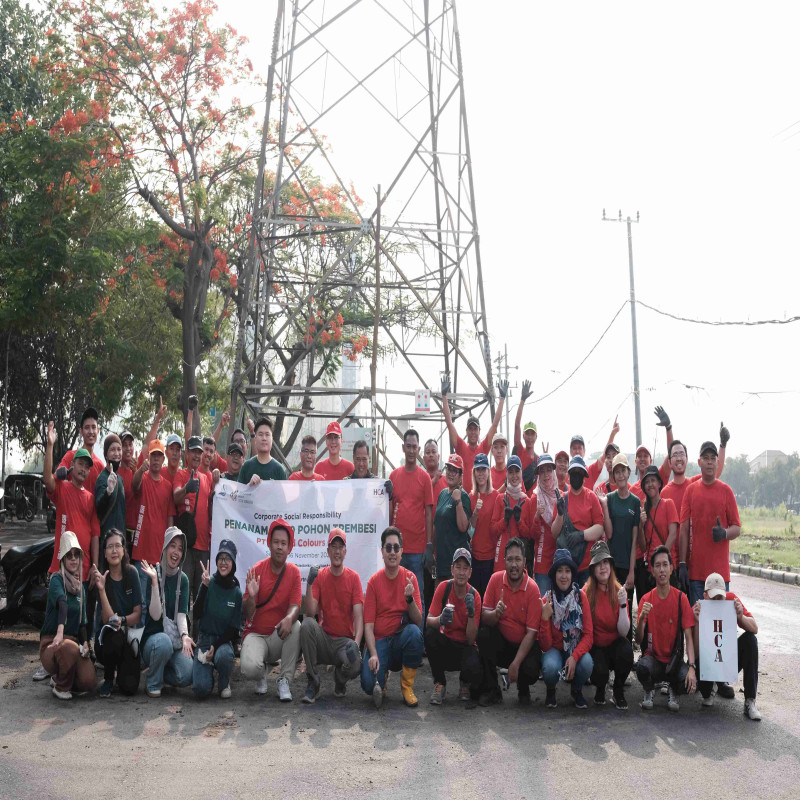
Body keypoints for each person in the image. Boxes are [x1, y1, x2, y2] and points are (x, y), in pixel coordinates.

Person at [361, 526, 424, 708]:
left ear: (401, 552)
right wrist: (373, 654)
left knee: (414, 633)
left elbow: (419, 621)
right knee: (367, 685)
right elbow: (368, 627)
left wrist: (409, 599)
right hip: (379, 641)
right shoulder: (373, 582)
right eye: (388, 548)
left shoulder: (410, 578)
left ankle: (407, 687)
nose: (392, 552)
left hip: (399, 642)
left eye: (396, 548)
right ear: (382, 552)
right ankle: (383, 673)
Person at [240, 519, 302, 701]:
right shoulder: (256, 570)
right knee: (249, 668)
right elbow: (247, 614)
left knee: (296, 625)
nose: (279, 547)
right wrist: (251, 596)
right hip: (256, 635)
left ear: (290, 548)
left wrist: (289, 618)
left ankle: (284, 680)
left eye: (284, 543)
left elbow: (295, 606)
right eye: (276, 542)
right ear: (269, 543)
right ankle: (261, 674)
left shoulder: (294, 572)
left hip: (278, 636)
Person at [300, 528, 364, 702]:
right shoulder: (320, 576)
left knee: (356, 663)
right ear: (328, 551)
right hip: (324, 638)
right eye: (333, 547)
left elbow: (359, 617)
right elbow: (310, 612)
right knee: (306, 625)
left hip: (344, 643)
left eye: (340, 547)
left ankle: (340, 679)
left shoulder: (354, 578)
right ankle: (313, 682)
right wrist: (309, 583)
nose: (337, 551)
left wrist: (356, 645)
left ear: (345, 551)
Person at [477, 537, 542, 706]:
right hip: (502, 643)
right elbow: (484, 616)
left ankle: (523, 688)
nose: (514, 565)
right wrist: (495, 614)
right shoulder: (495, 580)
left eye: (518, 559)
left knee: (532, 668)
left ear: (524, 562)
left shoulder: (533, 589)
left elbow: (532, 633)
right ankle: (492, 690)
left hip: (524, 646)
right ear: (504, 560)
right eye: (510, 559)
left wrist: (515, 664)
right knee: (484, 634)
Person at [635, 545, 697, 711]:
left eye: (665, 565)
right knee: (641, 668)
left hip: (674, 662)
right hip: (654, 659)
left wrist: (692, 667)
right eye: (657, 566)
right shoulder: (646, 599)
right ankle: (649, 689)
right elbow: (638, 639)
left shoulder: (681, 599)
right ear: (652, 571)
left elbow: (689, 637)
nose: (661, 570)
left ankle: (674, 690)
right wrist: (641, 619)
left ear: (671, 569)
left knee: (689, 682)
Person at [692, 572, 761, 720]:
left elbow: (755, 628)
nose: (718, 600)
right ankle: (711, 687)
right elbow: (695, 654)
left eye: (720, 596)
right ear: (705, 596)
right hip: (707, 662)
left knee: (750, 640)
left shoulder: (731, 601)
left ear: (725, 594)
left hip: (727, 658)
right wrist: (697, 622)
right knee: (705, 696)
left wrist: (740, 616)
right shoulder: (699, 607)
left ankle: (750, 701)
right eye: (713, 597)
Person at [679, 441, 741, 605]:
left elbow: (737, 528)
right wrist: (683, 564)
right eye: (705, 458)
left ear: (717, 462)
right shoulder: (691, 491)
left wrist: (725, 533)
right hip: (696, 574)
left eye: (713, 458)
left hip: (720, 576)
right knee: (698, 621)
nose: (709, 462)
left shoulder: (726, 491)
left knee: (718, 624)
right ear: (699, 462)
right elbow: (684, 529)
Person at [40, 531, 95, 700]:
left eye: (76, 555)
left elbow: (82, 623)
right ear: (63, 559)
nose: (73, 559)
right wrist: (59, 632)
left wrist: (85, 643)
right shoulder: (57, 579)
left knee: (88, 682)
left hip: (72, 642)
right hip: (52, 642)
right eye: (68, 555)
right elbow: (62, 602)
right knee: (68, 648)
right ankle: (61, 687)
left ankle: (59, 678)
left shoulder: (81, 588)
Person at [139, 527, 194, 698]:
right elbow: (155, 615)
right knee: (163, 642)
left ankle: (157, 671)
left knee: (187, 673)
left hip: (174, 640)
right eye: (172, 546)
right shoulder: (152, 573)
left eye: (180, 548)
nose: (176, 552)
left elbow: (181, 614)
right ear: (164, 547)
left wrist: (185, 635)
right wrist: (155, 583)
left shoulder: (183, 579)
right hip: (154, 641)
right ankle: (153, 683)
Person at [44, 422, 100, 588]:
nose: (83, 469)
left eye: (86, 466)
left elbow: (95, 534)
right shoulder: (62, 488)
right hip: (61, 567)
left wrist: (94, 566)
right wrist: (50, 445)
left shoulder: (91, 498)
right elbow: (48, 479)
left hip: (84, 570)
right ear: (72, 465)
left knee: (80, 613)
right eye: (80, 464)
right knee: (61, 612)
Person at [425, 548, 482, 706]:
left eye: (465, 568)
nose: (461, 572)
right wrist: (440, 620)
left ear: (470, 572)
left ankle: (465, 682)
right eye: (458, 567)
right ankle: (440, 683)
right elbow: (429, 621)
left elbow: (471, 640)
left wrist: (471, 614)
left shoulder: (474, 595)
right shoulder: (443, 588)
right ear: (452, 569)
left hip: (464, 647)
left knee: (475, 667)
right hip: (446, 644)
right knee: (430, 635)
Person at [539, 548, 594, 709]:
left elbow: (589, 635)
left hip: (574, 649)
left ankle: (576, 690)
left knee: (587, 663)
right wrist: (544, 618)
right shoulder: (547, 600)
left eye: (567, 571)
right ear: (554, 574)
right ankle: (550, 690)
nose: (564, 576)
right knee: (550, 667)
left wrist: (575, 656)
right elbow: (545, 646)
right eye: (560, 571)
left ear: (572, 574)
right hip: (555, 650)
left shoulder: (581, 596)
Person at [91, 529, 142, 697]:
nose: (114, 550)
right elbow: (106, 619)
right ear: (104, 553)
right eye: (109, 547)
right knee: (114, 634)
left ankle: (121, 672)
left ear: (123, 550)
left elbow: (138, 613)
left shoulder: (132, 573)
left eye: (118, 546)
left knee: (129, 688)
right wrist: (102, 590)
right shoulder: (102, 577)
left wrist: (122, 620)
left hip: (127, 635)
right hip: (107, 640)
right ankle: (108, 678)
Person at [174, 436, 219, 621]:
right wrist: (186, 488)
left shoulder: (207, 478)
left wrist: (216, 492)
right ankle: (183, 637)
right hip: (186, 547)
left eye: (199, 452)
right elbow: (175, 497)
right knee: (184, 595)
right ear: (187, 453)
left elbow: (210, 512)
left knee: (201, 596)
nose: (197, 455)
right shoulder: (181, 474)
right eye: (193, 451)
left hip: (203, 548)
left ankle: (198, 640)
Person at [389, 429, 434, 614]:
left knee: (417, 596)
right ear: (403, 448)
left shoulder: (424, 478)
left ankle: (418, 640)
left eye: (414, 447)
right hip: (396, 550)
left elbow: (429, 512)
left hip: (417, 550)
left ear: (419, 449)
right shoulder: (393, 476)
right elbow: (388, 510)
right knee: (396, 597)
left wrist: (429, 545)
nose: (411, 450)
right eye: (408, 446)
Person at [584, 541, 633, 709]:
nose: (602, 567)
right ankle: (600, 686)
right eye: (598, 564)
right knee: (599, 674)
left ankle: (618, 690)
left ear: (611, 566)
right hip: (596, 647)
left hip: (614, 645)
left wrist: (623, 604)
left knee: (626, 650)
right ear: (592, 569)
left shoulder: (619, 591)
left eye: (605, 562)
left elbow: (623, 631)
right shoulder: (587, 593)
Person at [192, 539, 242, 699]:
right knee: (200, 690)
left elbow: (234, 629)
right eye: (220, 558)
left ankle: (224, 680)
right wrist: (204, 588)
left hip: (222, 643)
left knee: (224, 656)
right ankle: (207, 677)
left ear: (233, 562)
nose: (223, 563)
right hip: (204, 641)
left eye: (227, 559)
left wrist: (216, 646)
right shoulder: (209, 582)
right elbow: (196, 614)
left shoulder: (236, 592)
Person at [441, 376, 506, 494]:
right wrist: (444, 396)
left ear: (479, 431)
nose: (472, 432)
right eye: (470, 429)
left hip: (481, 496)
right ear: (466, 431)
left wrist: (502, 398)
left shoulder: (483, 448)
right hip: (466, 497)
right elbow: (449, 423)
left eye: (475, 429)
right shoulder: (461, 447)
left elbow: (495, 424)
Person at [132, 439, 178, 598]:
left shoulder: (168, 486)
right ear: (148, 458)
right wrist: (139, 470)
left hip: (159, 553)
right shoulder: (143, 477)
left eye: (159, 455)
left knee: (157, 599)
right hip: (141, 551)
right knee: (141, 600)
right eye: (153, 455)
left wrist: (170, 546)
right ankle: (139, 625)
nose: (156, 459)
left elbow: (170, 517)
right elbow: (134, 485)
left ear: (163, 458)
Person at [550, 455, 604, 586]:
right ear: (569, 475)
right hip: (566, 568)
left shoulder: (591, 497)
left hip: (587, 565)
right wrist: (560, 514)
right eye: (574, 472)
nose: (576, 475)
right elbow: (554, 533)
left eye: (580, 473)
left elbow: (600, 527)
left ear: (585, 477)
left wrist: (581, 535)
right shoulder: (562, 498)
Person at [661, 427, 728, 530]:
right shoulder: (664, 494)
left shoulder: (694, 484)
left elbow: (715, 472)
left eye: (682, 454)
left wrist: (722, 446)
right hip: (672, 546)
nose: (679, 458)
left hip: (695, 545)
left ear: (686, 459)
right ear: (669, 462)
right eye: (675, 455)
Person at [603, 453, 639, 615]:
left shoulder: (635, 502)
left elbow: (634, 541)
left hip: (627, 566)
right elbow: (609, 534)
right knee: (611, 609)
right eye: (617, 472)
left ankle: (626, 641)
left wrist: (632, 571)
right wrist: (603, 505)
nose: (620, 475)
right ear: (614, 476)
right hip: (612, 565)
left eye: (623, 471)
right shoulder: (609, 499)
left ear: (628, 473)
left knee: (626, 609)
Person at [433, 454, 471, 584]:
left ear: (461, 476)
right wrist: (432, 551)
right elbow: (436, 525)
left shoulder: (464, 496)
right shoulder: (442, 494)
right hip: (441, 563)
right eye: (449, 469)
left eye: (455, 470)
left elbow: (463, 527)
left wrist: (458, 501)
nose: (450, 473)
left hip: (455, 566)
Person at [639, 464, 679, 588]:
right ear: (644, 487)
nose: (650, 484)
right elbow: (643, 546)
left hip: (667, 567)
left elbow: (673, 534)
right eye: (647, 482)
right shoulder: (644, 510)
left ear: (659, 484)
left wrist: (661, 560)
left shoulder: (668, 504)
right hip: (651, 571)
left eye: (653, 480)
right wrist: (641, 525)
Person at [489, 455, 528, 573]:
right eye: (511, 472)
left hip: (520, 557)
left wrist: (518, 520)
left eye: (517, 471)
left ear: (521, 473)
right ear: (507, 475)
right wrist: (505, 520)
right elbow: (493, 530)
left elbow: (528, 534)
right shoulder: (500, 498)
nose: (514, 475)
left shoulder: (527, 500)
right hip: (501, 556)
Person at [466, 453, 497, 597]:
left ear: (488, 472)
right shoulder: (470, 497)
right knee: (476, 599)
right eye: (478, 470)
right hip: (475, 557)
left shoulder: (496, 496)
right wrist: (476, 513)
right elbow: (469, 532)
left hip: (491, 558)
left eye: (484, 469)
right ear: (474, 472)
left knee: (489, 600)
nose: (481, 473)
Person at [527, 453, 558, 595]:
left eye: (549, 470)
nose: (546, 475)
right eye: (542, 471)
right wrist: (538, 516)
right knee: (543, 605)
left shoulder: (561, 495)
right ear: (538, 474)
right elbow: (533, 534)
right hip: (542, 562)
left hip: (560, 559)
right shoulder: (535, 498)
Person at [56, 406, 105, 492]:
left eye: (93, 427)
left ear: (98, 430)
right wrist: (59, 474)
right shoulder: (71, 456)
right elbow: (56, 478)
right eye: (87, 427)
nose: (91, 431)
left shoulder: (100, 466)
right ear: (81, 431)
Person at [568, 417, 619, 490]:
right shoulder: (566, 473)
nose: (577, 451)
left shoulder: (590, 471)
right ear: (570, 452)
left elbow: (604, 455)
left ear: (584, 451)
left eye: (580, 448)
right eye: (574, 448)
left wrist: (612, 434)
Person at [95, 434, 126, 541]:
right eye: (112, 450)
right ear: (106, 455)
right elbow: (99, 508)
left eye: (119, 449)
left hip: (120, 541)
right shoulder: (102, 478)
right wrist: (108, 492)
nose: (117, 453)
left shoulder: (120, 479)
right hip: (107, 542)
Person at [238, 417, 287, 485]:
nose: (264, 438)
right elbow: (238, 494)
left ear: (272, 439)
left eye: (267, 435)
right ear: (255, 439)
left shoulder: (279, 470)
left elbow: (283, 495)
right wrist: (249, 485)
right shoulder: (246, 467)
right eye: (260, 434)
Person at [513, 379, 539, 491]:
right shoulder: (519, 450)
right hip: (519, 501)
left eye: (532, 434)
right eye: (527, 434)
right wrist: (522, 400)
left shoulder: (539, 460)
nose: (529, 437)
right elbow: (517, 425)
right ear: (523, 436)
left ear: (536, 437)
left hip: (533, 504)